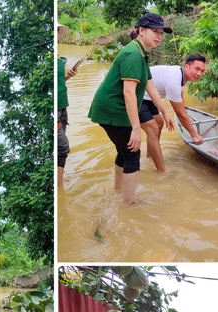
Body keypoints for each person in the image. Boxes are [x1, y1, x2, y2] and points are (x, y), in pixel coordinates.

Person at [88, 13, 171, 205]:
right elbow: (128, 93)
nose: (159, 36)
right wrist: (136, 128)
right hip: (112, 109)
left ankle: (118, 192)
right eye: (155, 31)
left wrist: (165, 112)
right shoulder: (133, 54)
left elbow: (149, 85)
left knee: (123, 150)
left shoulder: (141, 53)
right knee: (133, 153)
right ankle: (129, 204)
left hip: (112, 108)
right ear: (141, 31)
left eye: (161, 33)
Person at [140, 55, 208, 173]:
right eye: (196, 69)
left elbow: (180, 97)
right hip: (137, 95)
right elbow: (179, 113)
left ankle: (150, 157)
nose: (199, 74)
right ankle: (162, 171)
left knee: (159, 123)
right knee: (153, 128)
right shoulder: (174, 80)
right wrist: (194, 135)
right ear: (186, 66)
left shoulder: (180, 74)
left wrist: (186, 114)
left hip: (149, 97)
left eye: (202, 71)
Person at [58, 24, 79, 189]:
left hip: (63, 105)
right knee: (62, 147)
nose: (57, 33)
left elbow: (59, 82)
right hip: (56, 108)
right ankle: (59, 188)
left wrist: (67, 76)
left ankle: (60, 183)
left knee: (59, 150)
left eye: (58, 30)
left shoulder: (58, 57)